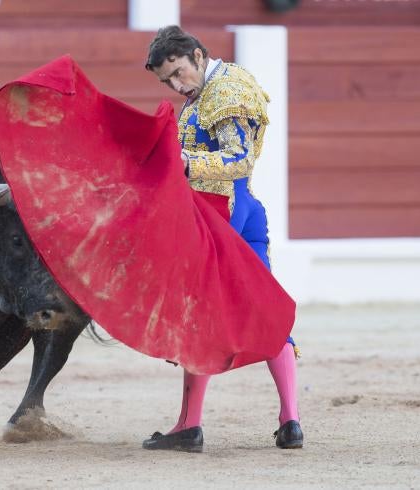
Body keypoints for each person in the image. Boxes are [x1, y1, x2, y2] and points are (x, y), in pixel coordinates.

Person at [141, 25, 303, 452]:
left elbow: (239, 158)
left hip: (220, 216)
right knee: (266, 309)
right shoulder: (210, 90)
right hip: (243, 212)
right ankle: (290, 421)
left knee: (200, 315)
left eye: (178, 73)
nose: (177, 86)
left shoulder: (226, 91)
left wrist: (184, 162)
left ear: (197, 55)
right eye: (167, 82)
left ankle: (189, 426)